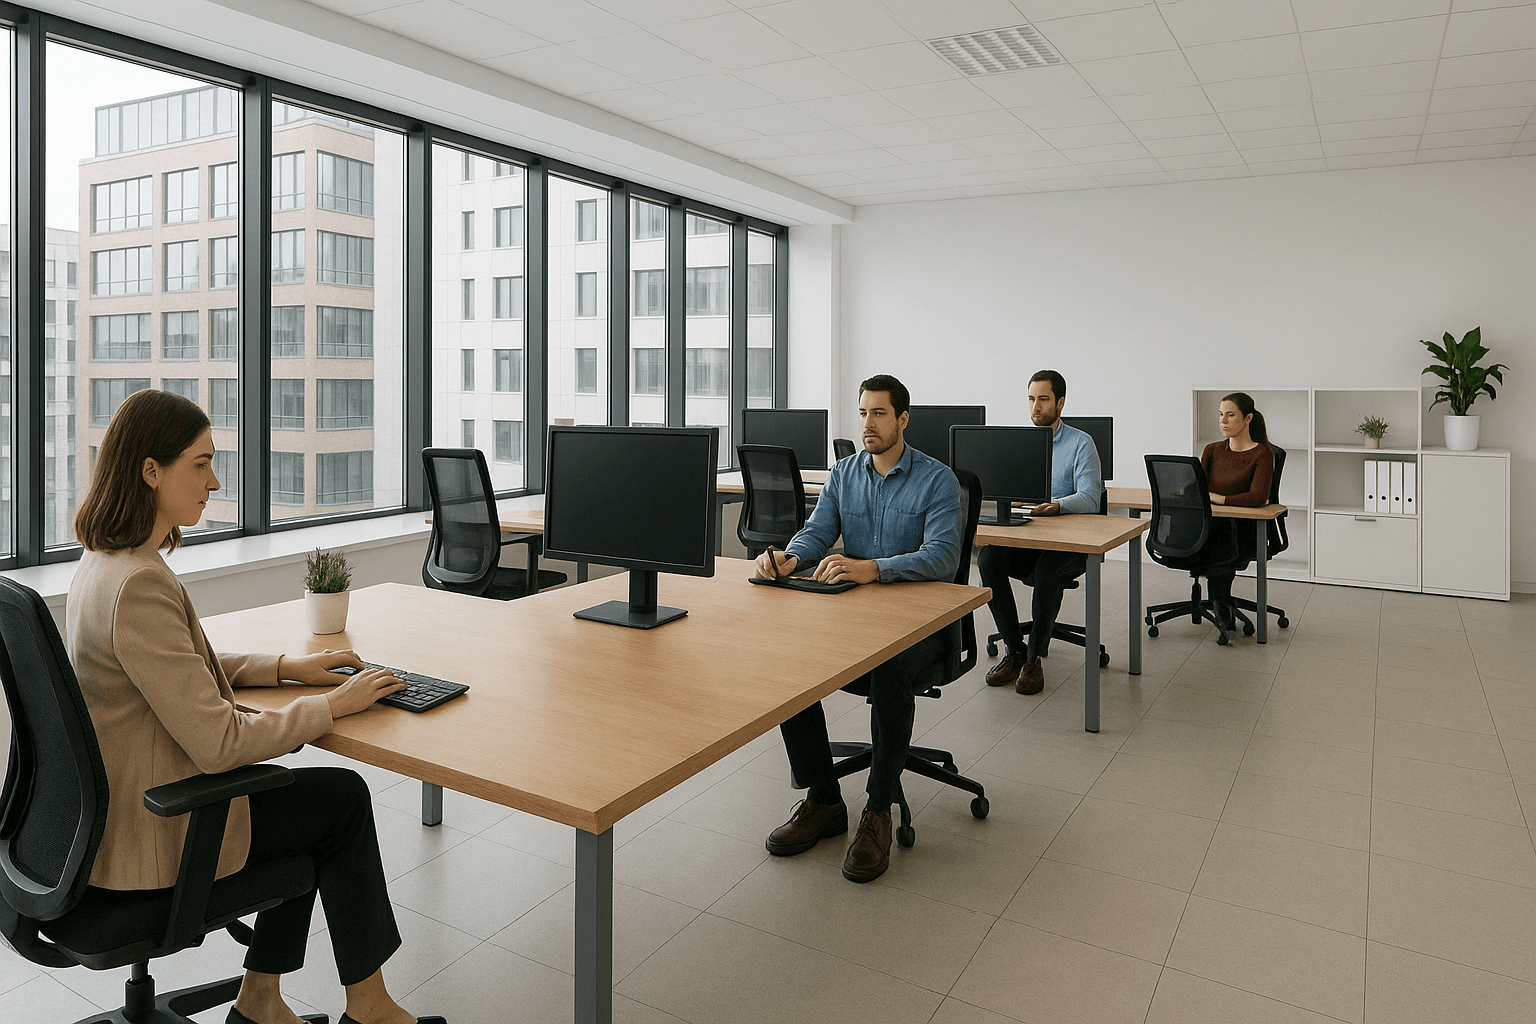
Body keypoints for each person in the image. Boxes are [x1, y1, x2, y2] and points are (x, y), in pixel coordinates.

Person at [66, 389, 444, 1024]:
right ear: (150, 471)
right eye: (201, 464)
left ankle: (262, 1000)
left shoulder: (107, 564)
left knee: (298, 804)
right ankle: (367, 1006)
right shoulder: (137, 585)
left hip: (116, 814)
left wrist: (285, 669)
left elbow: (181, 667)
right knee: (338, 801)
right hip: (157, 833)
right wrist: (334, 705)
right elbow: (219, 744)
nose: (215, 481)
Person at [753, 374, 961, 884]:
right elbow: (819, 531)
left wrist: (874, 567)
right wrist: (790, 557)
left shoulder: (937, 480)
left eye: (879, 414)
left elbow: (943, 557)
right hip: (853, 618)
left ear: (903, 419)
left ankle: (877, 810)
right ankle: (824, 800)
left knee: (890, 669)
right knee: (792, 665)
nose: (868, 423)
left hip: (921, 627)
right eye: (863, 413)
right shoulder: (844, 473)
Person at [980, 370, 1104, 695]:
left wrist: (1057, 504)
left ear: (1060, 402)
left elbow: (1091, 496)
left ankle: (1034, 658)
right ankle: (1014, 651)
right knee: (989, 558)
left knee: (1049, 570)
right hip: (1028, 537)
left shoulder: (1081, 443)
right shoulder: (1021, 442)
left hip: (1068, 545)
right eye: (1031, 399)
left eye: (1043, 399)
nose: (1035, 406)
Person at [1199, 391, 1275, 633]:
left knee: (1219, 541)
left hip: (1243, 530)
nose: (1223, 421)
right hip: (1211, 526)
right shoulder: (1211, 450)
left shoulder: (1262, 454)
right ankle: (1221, 603)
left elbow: (1257, 497)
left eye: (1230, 415)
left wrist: (1219, 499)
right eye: (1221, 415)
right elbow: (1198, 488)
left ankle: (1220, 604)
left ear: (1248, 418)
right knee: (1210, 536)